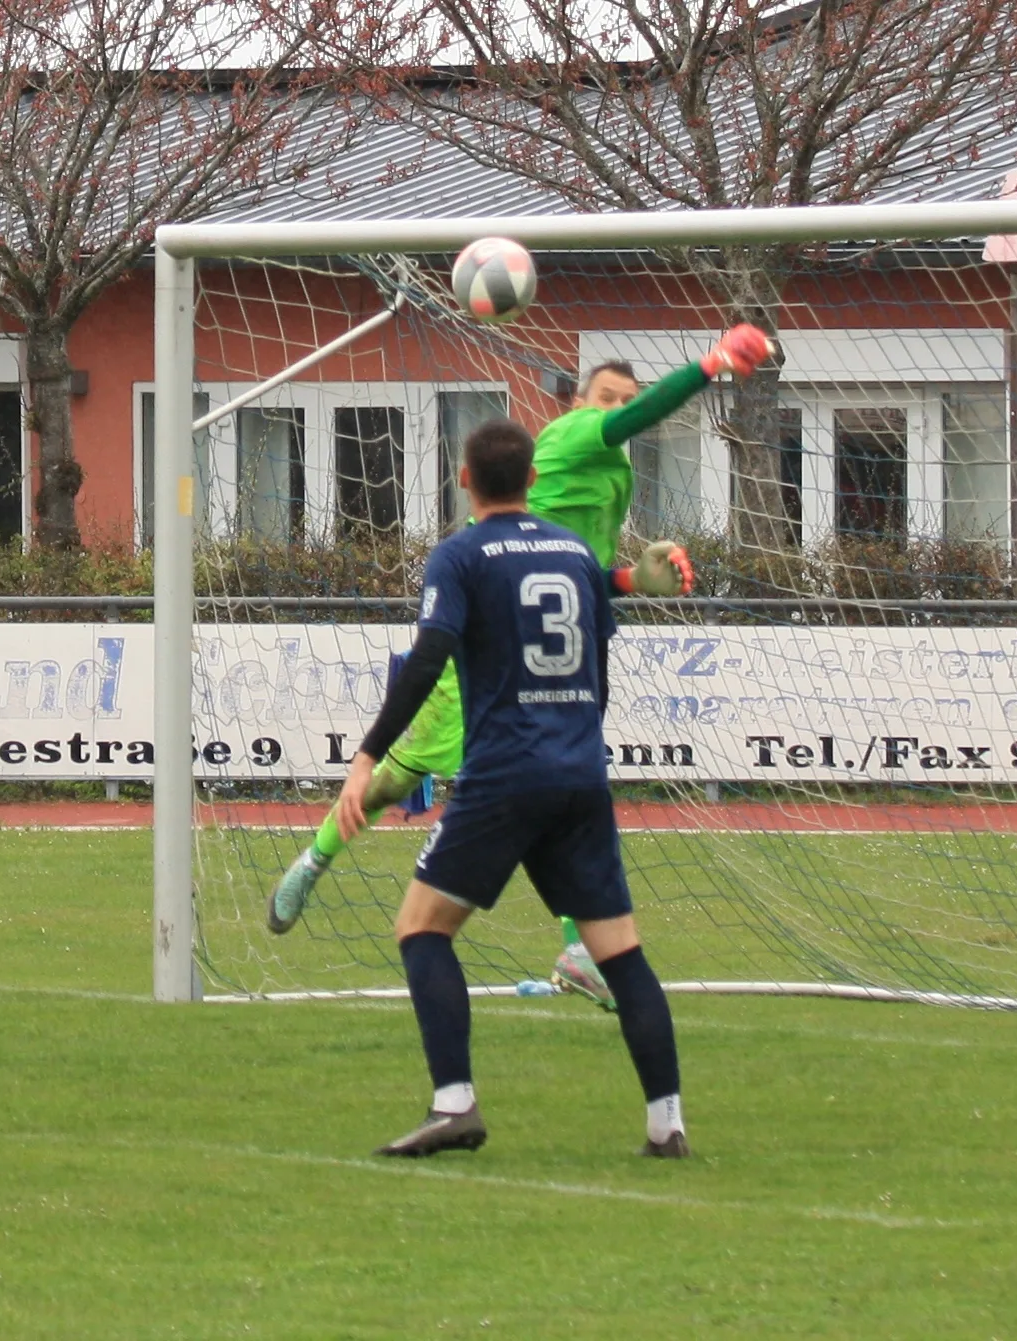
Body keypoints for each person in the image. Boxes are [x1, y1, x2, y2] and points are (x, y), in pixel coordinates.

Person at [270, 325, 774, 1012]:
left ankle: (575, 949)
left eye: (619, 398)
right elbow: (641, 415)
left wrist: (633, 579)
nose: (612, 408)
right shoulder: (578, 436)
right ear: (574, 405)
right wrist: (710, 365)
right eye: (601, 396)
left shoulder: (608, 464)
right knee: (403, 776)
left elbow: (584, 574)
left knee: (560, 785)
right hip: (493, 634)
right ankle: (316, 857)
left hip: (558, 649)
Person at [336, 417, 689, 1158]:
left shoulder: (459, 556)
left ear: (463, 480)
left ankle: (453, 1102)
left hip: (503, 775)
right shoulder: (570, 548)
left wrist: (369, 754)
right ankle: (666, 1121)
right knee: (619, 952)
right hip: (579, 772)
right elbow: (596, 631)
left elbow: (431, 653)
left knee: (420, 927)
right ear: (532, 480)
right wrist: (631, 579)